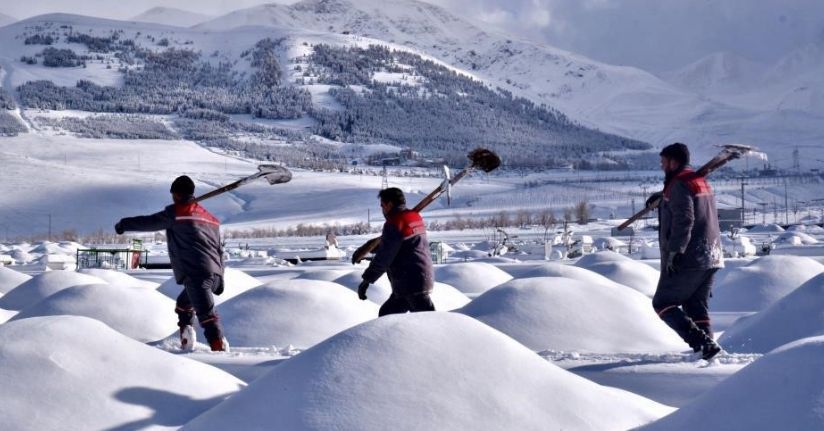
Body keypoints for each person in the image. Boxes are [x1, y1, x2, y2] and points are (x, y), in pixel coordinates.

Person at [115, 175, 228, 352]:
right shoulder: (210, 219)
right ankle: (187, 338)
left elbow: (149, 222)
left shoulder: (177, 213)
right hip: (214, 273)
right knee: (184, 305)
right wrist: (219, 276)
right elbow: (219, 249)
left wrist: (123, 224)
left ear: (175, 194)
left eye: (173, 194)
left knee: (207, 317)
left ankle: (220, 351)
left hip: (197, 274)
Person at [648, 143, 724, 360]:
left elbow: (685, 219)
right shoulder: (697, 180)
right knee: (694, 305)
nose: (661, 165)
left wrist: (675, 251)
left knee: (662, 303)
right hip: (712, 255)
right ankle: (709, 352)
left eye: (663, 161)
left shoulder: (679, 184)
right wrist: (663, 198)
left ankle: (702, 344)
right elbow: (689, 206)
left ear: (673, 162)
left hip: (691, 256)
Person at [357, 187, 435, 316]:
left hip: (409, 282)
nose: (382, 209)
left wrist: (366, 280)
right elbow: (401, 245)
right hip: (419, 279)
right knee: (386, 315)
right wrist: (370, 248)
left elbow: (384, 257)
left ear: (389, 204)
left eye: (382, 205)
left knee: (430, 321)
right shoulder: (414, 217)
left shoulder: (394, 223)